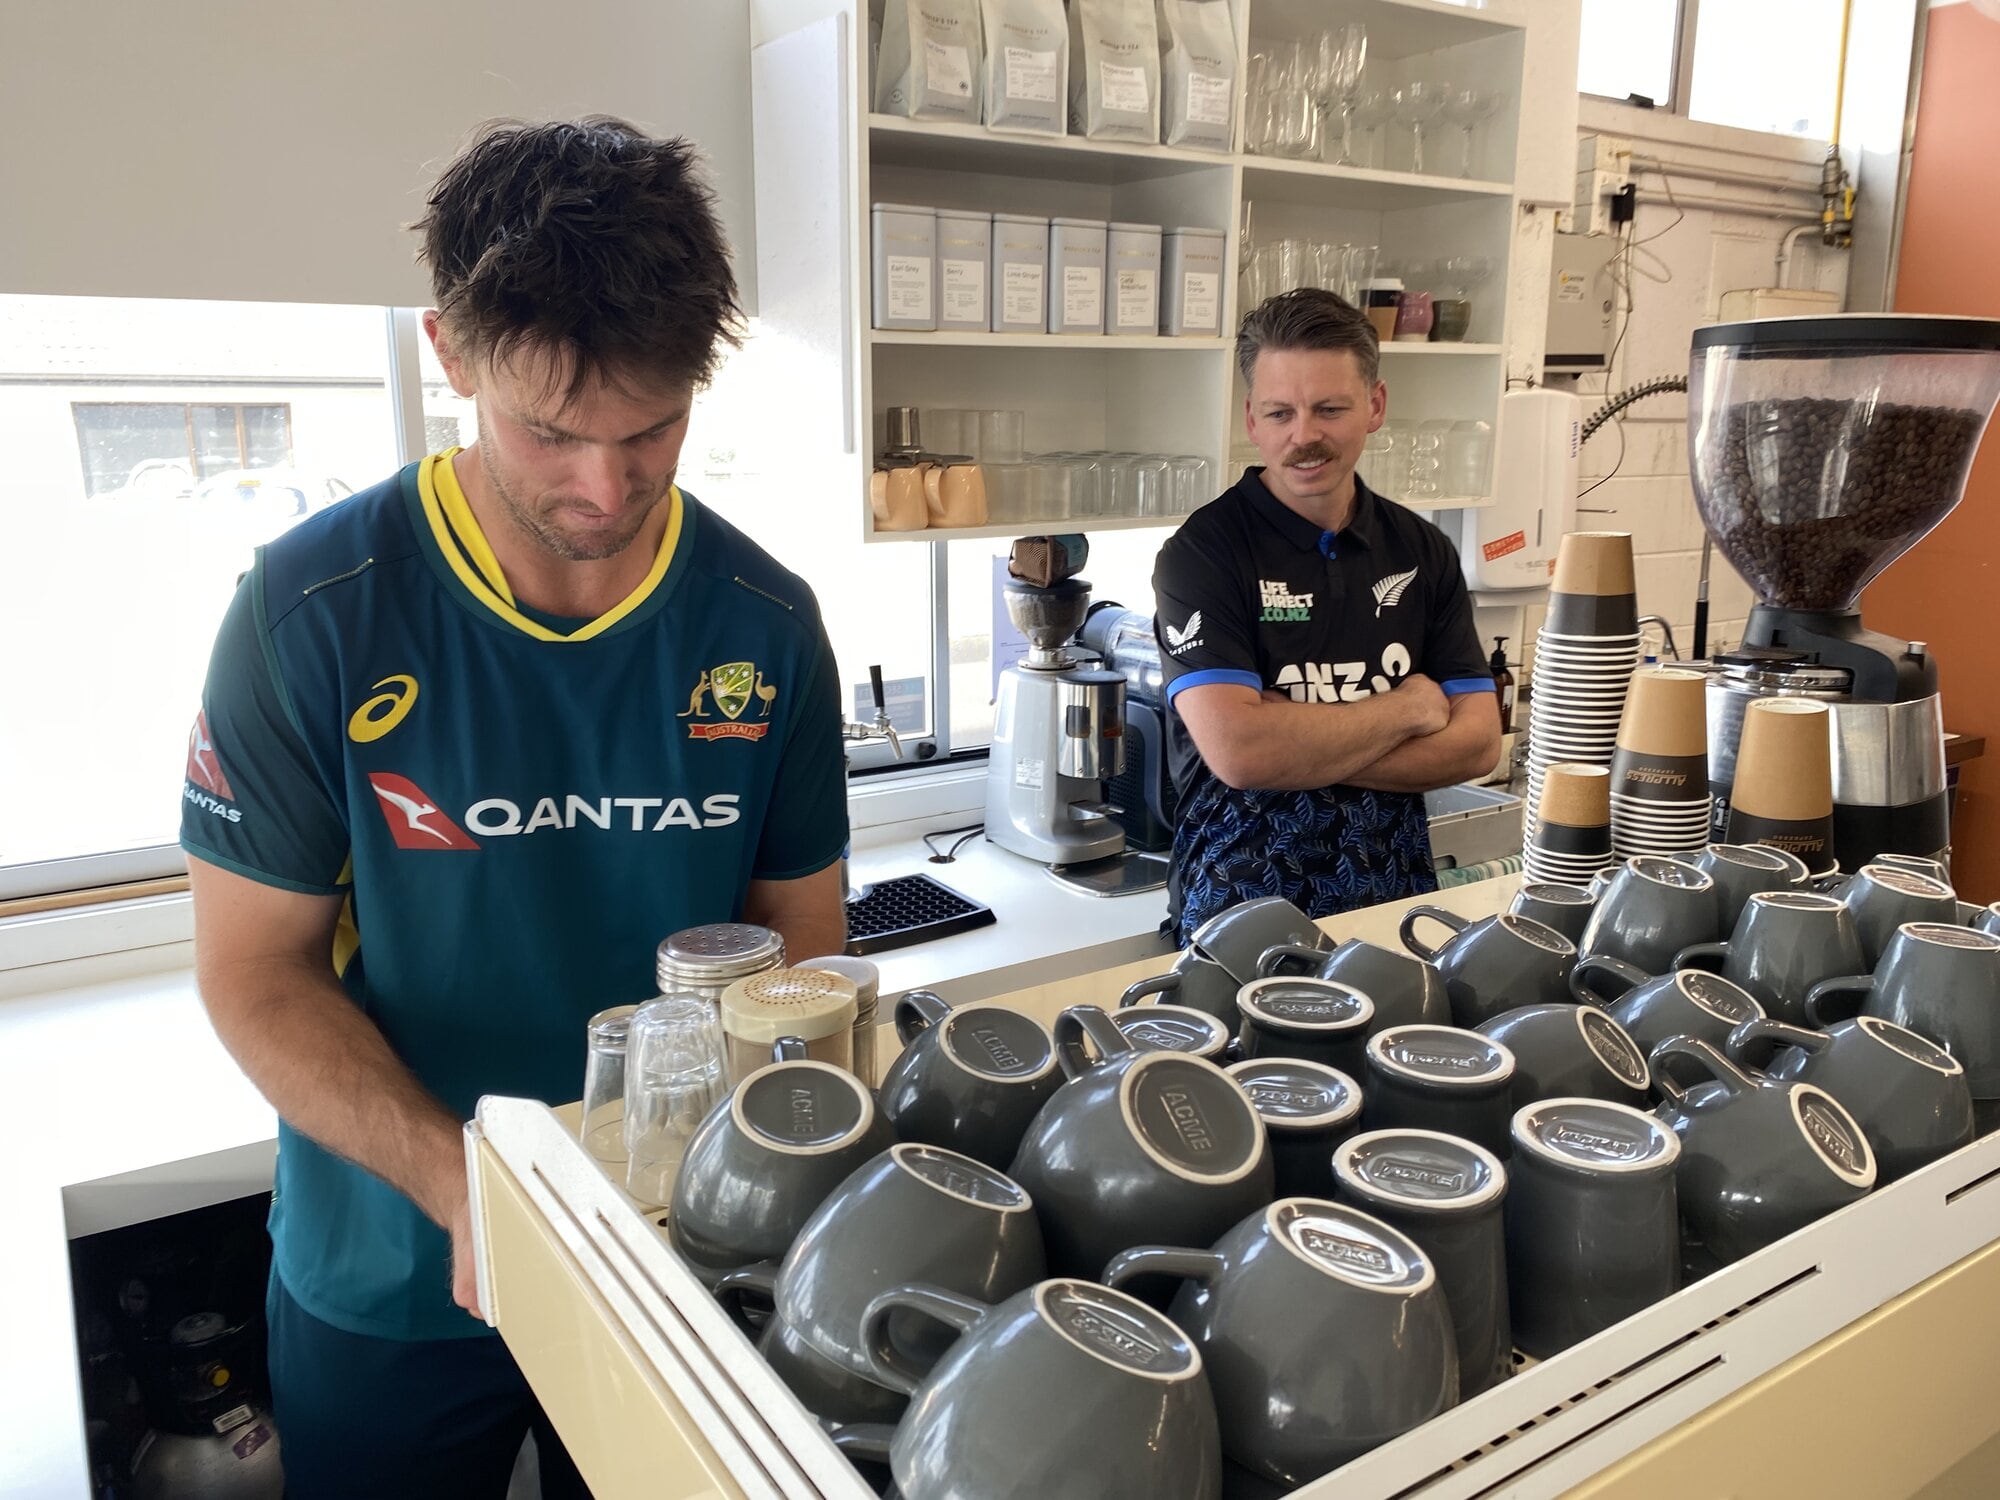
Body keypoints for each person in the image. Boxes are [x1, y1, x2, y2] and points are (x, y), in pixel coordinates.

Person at [179, 118, 850, 1498]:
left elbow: (801, 955)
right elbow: (254, 973)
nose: (604, 488)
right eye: (549, 432)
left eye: (652, 429)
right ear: (449, 353)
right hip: (394, 1260)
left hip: (678, 1252)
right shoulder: (311, 615)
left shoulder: (764, 625)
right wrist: (471, 1188)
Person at [1152, 289, 1500, 945]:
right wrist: (1405, 711)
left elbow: (1479, 744)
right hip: (1239, 913)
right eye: (1280, 412)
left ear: (1375, 405)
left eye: (1330, 409)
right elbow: (1242, 753)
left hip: (1396, 908)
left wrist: (1297, 741)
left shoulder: (1422, 551)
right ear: (1252, 419)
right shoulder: (1203, 554)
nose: (1304, 435)